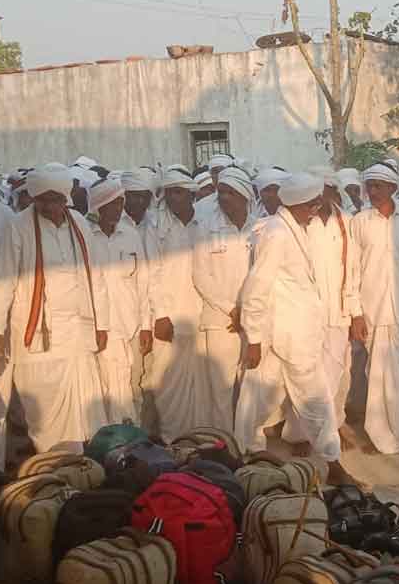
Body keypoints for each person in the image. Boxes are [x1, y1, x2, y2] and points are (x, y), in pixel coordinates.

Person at [235, 174, 356, 483]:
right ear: (301, 204)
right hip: (282, 335)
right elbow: (256, 288)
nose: (317, 210)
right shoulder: (276, 234)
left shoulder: (295, 228)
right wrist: (254, 339)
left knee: (258, 397)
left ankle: (246, 450)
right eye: (314, 205)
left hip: (293, 334)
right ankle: (332, 462)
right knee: (314, 401)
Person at [0, 164, 110, 452]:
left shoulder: (78, 222)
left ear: (67, 198)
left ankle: (79, 469)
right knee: (45, 415)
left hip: (78, 332)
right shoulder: (18, 226)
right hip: (39, 337)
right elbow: (3, 282)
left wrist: (102, 324)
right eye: (44, 199)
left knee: (83, 413)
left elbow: (97, 277)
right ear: (34, 197)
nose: (50, 206)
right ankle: (52, 468)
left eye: (56, 199)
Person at [349, 163, 399, 454]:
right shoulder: (360, 221)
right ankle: (380, 437)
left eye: (378, 186)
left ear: (393, 188)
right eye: (369, 185)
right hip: (373, 311)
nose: (372, 191)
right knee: (378, 379)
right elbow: (352, 270)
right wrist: (355, 311)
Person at [285, 163, 361, 452]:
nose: (321, 198)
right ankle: (301, 436)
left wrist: (356, 312)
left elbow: (352, 269)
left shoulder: (347, 221)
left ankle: (333, 428)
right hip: (308, 315)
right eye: (317, 192)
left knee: (339, 374)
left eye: (326, 191)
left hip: (339, 313)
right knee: (307, 376)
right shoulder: (302, 224)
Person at [190, 166, 257, 431]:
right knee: (220, 388)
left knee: (250, 385)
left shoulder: (259, 227)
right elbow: (200, 276)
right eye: (221, 192)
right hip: (220, 321)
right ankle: (224, 444)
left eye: (230, 192)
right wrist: (232, 309)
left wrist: (248, 310)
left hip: (253, 320)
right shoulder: (206, 228)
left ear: (244, 195)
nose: (224, 198)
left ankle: (246, 441)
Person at [87, 178, 152, 425]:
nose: (118, 208)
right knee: (102, 390)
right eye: (112, 203)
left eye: (120, 203)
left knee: (132, 387)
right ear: (98, 206)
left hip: (131, 327)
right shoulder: (85, 235)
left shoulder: (131, 235)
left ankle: (132, 439)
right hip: (98, 330)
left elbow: (143, 282)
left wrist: (146, 324)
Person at [146, 166, 203, 441]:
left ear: (191, 195)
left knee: (199, 383)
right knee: (167, 383)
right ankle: (170, 439)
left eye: (179, 193)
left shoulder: (204, 223)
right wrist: (161, 314)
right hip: (169, 315)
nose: (173, 199)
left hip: (201, 314)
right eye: (169, 193)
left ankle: (194, 440)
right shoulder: (156, 227)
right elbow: (152, 273)